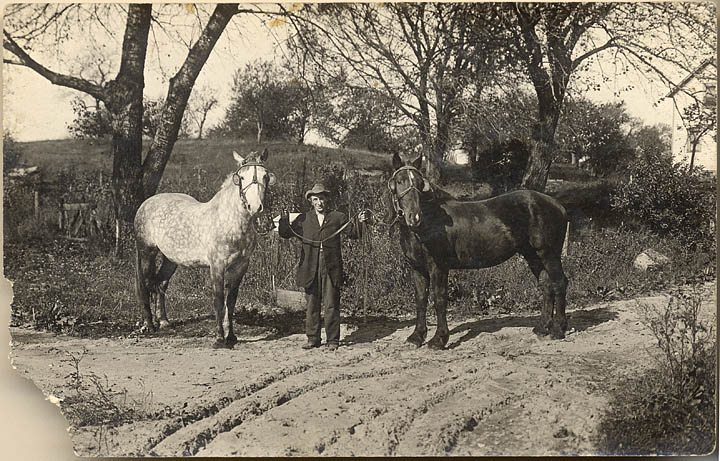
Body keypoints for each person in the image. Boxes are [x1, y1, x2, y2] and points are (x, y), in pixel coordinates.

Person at [279, 183, 371, 351]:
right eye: (316, 199)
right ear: (311, 201)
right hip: (310, 266)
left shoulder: (337, 217)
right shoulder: (304, 219)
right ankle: (313, 338)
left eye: (322, 198)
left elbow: (354, 233)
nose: (319, 202)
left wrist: (362, 221)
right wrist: (284, 219)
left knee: (331, 304)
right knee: (312, 304)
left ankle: (332, 340)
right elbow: (286, 233)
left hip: (331, 267)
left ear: (326, 199)